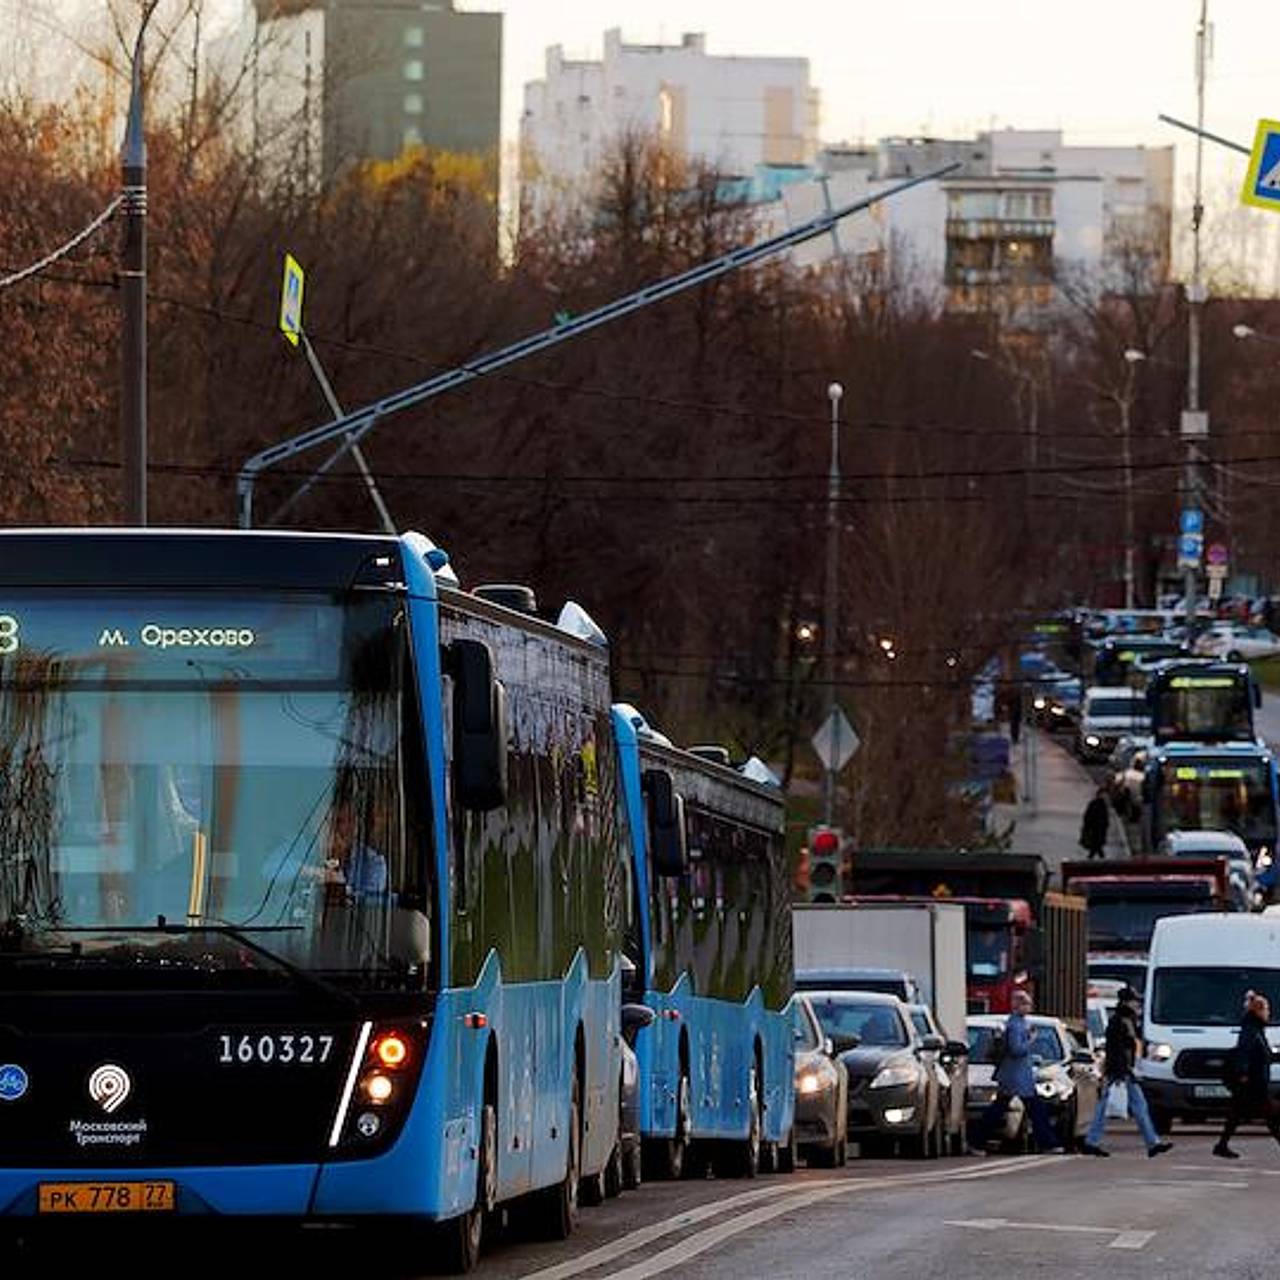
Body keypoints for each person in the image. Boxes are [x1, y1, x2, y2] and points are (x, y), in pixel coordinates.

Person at [1080, 987, 1173, 1158]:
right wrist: (1124, 1071)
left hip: (1119, 1070)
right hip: (1121, 1071)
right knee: (1130, 1107)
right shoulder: (1123, 1021)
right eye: (1135, 1000)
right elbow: (1121, 1050)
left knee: (1122, 1106)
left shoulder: (1122, 1020)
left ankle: (1152, 1143)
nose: (1137, 1004)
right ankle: (1152, 1143)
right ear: (1127, 1002)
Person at [968, 989, 1064, 1155]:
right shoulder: (1015, 1025)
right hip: (1016, 1076)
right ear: (1018, 1005)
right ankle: (1048, 1143)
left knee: (1005, 1108)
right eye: (1026, 1003)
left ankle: (977, 1141)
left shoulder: (1019, 1023)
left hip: (1018, 1076)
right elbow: (1016, 1049)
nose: (1029, 1006)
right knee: (1033, 1110)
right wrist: (1031, 1040)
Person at [1214, 991, 1280, 1159]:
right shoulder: (1251, 1029)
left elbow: (1264, 1054)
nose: (1268, 1013)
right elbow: (1244, 1051)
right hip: (1253, 1081)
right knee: (1271, 1115)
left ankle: (1222, 1145)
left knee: (1236, 1114)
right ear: (1258, 1011)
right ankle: (1221, 1145)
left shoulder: (1255, 1028)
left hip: (1253, 1080)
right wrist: (1242, 1072)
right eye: (1266, 1009)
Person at [1080, 787, 1110, 860]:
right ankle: (1099, 859)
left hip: (1099, 829)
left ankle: (1093, 858)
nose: (1105, 796)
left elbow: (1105, 818)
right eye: (1103, 794)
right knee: (1097, 845)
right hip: (1094, 829)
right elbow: (1088, 816)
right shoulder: (1095, 804)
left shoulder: (1103, 805)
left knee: (1096, 846)